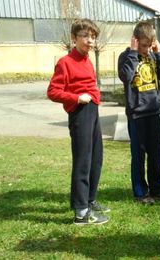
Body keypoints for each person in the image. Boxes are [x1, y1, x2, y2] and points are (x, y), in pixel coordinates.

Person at [47, 19, 110, 225]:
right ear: (74, 38)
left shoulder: (87, 60)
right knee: (83, 161)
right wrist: (76, 98)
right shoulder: (65, 62)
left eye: (92, 37)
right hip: (80, 113)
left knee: (96, 159)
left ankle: (89, 200)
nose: (90, 41)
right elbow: (53, 92)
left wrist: (93, 95)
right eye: (85, 36)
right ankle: (81, 213)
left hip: (92, 110)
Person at [118, 21, 160, 204]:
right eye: (143, 45)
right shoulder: (126, 56)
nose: (146, 49)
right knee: (139, 155)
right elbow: (126, 77)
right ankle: (140, 192)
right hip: (136, 114)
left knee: (156, 154)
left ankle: (157, 189)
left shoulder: (153, 55)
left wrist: (158, 54)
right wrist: (134, 53)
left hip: (153, 112)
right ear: (134, 41)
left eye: (149, 45)